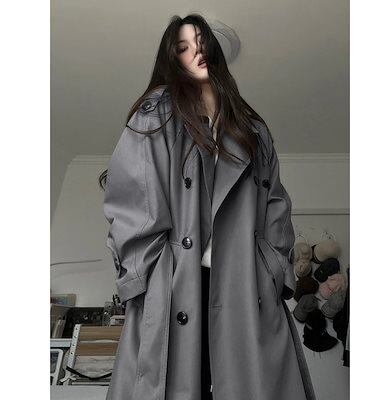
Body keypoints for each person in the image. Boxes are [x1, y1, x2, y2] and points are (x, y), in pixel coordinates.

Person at [101, 13, 316, 400]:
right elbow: (133, 199)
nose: (195, 54)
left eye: (201, 45)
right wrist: (147, 279)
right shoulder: (156, 113)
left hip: (245, 284)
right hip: (175, 284)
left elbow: (276, 206)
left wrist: (273, 270)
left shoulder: (252, 129)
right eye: (183, 47)